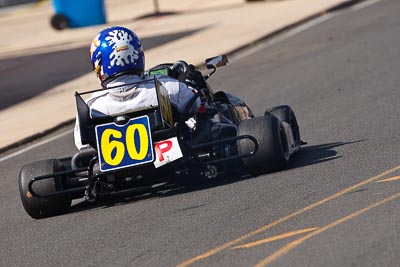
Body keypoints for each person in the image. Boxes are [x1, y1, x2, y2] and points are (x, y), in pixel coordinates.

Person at [74, 26, 199, 149]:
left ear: (99, 65)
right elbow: (197, 106)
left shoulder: (91, 107)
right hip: (173, 165)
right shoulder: (168, 88)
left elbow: (82, 147)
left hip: (114, 167)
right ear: (138, 55)